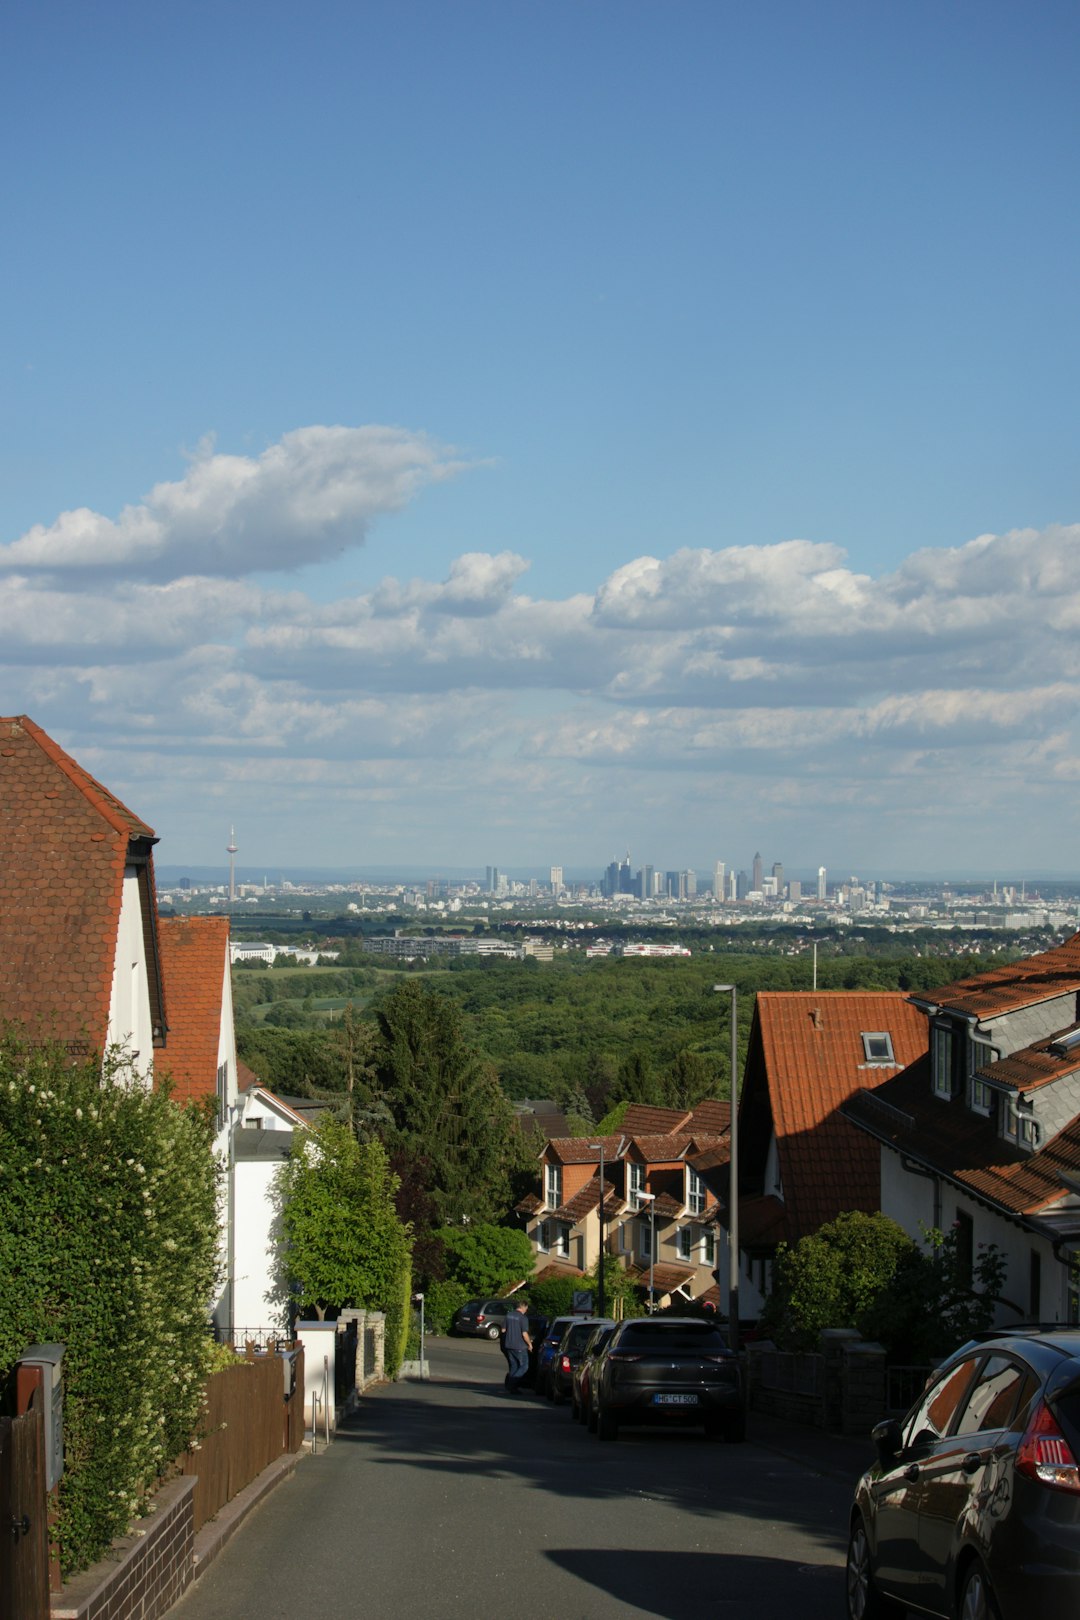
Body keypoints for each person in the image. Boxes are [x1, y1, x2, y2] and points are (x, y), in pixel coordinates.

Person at [500, 1298, 532, 1394]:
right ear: (524, 1307)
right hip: (520, 1346)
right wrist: (530, 1344)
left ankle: (511, 1387)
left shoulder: (509, 1315)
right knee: (524, 1366)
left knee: (514, 1365)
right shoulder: (523, 1318)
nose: (526, 1310)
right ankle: (511, 1385)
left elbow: (503, 1330)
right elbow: (524, 1334)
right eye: (526, 1308)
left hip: (509, 1345)